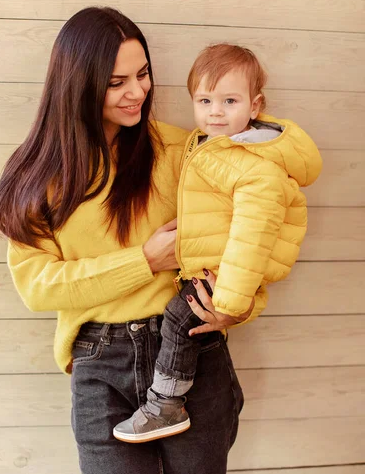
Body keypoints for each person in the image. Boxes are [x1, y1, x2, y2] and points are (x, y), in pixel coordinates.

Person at [0, 7, 268, 474]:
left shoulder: (185, 151)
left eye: (143, 74)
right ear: (76, 84)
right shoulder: (39, 175)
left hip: (190, 351)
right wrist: (144, 259)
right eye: (117, 81)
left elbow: (256, 222)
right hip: (100, 367)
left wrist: (242, 305)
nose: (137, 92)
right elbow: (38, 286)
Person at [114, 43, 323, 443]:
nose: (215, 111)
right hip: (213, 267)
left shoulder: (252, 163)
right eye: (204, 100)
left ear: (254, 105)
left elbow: (253, 234)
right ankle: (168, 403)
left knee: (179, 321)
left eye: (230, 100)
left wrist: (230, 301)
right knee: (179, 324)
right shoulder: (209, 144)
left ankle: (165, 405)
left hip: (225, 275)